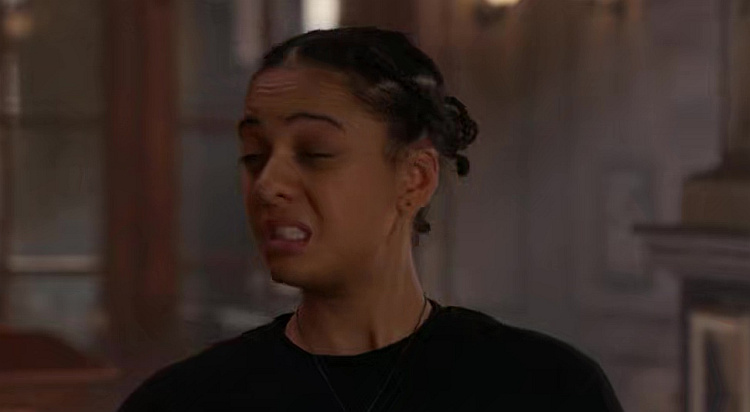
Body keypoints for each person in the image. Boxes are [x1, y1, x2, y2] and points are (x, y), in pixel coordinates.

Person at [117, 27, 623, 411]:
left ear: (415, 179)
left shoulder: (548, 389)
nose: (267, 185)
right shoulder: (182, 402)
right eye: (254, 155)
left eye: (315, 152)